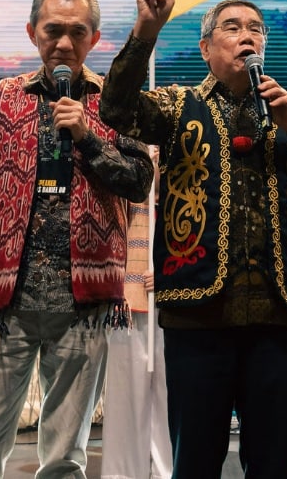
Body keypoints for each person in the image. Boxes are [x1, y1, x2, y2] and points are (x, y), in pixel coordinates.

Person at [99, 0, 287, 479]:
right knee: (195, 458)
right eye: (232, 27)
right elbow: (115, 110)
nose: (247, 35)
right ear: (207, 49)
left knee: (275, 460)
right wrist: (146, 30)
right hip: (198, 310)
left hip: (281, 312)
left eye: (256, 28)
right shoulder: (175, 104)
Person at [0, 0, 153, 479]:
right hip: (3, 296)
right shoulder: (1, 97)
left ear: (95, 39)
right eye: (53, 30)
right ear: (33, 33)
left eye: (78, 32)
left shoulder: (118, 103)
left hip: (85, 298)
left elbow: (138, 182)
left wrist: (87, 135)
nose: (64, 43)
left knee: (64, 458)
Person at [100, 193, 172, 479]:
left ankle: (170, 469)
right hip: (127, 295)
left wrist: (170, 269)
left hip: (174, 302)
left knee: (171, 392)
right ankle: (123, 473)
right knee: (125, 392)